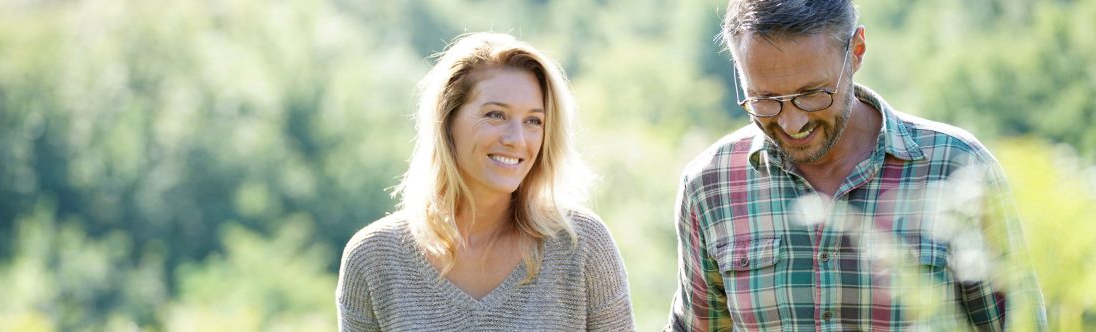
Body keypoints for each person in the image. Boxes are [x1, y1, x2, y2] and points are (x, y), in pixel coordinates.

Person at [667, 1, 1046, 330]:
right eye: (764, 100)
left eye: (812, 94)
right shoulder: (710, 184)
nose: (791, 123)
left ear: (858, 50)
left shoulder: (959, 166)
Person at [336, 32, 635, 331]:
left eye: (533, 121)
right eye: (496, 115)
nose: (516, 139)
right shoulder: (373, 259)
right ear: (447, 120)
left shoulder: (581, 245)